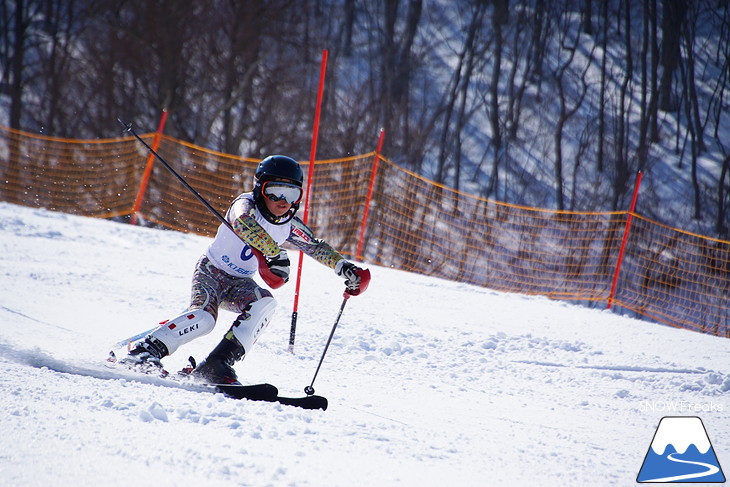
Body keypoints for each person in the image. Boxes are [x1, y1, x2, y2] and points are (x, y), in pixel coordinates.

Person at [120, 155, 370, 384]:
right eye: (275, 192)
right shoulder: (245, 204)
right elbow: (242, 223)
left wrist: (344, 268)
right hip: (212, 272)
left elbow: (314, 246)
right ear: (260, 190)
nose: (283, 201)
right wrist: (273, 252)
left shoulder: (288, 224)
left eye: (291, 194)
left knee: (265, 304)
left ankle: (217, 365)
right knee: (205, 319)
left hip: (239, 282)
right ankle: (144, 351)